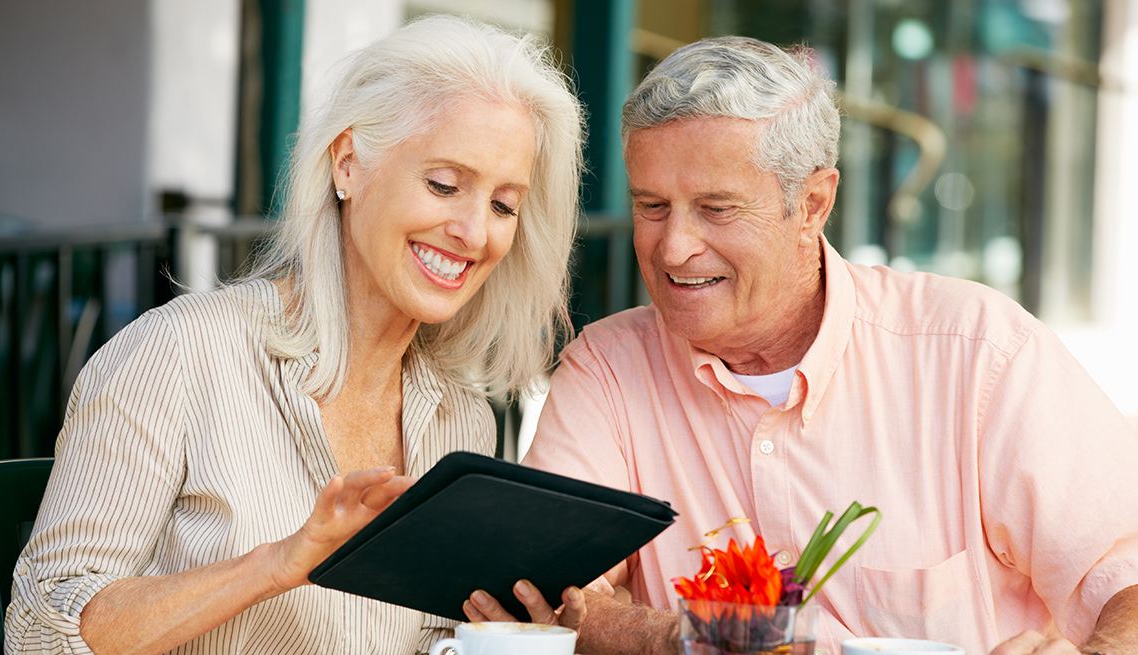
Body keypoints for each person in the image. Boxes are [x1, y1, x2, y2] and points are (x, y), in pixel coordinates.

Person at [463, 36, 1138, 655]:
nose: (673, 246)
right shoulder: (607, 369)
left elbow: (1126, 576)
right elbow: (552, 604)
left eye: (716, 209)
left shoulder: (980, 354)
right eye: (652, 206)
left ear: (813, 203)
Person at [5, 14, 585, 655]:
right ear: (348, 163)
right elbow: (37, 633)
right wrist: (276, 565)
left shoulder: (461, 417)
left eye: (505, 204)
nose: (475, 233)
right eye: (444, 184)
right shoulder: (177, 354)